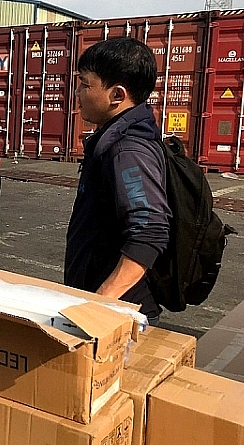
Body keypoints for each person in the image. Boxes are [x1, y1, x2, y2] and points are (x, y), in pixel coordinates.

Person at [64, 37, 171, 325]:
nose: (78, 93)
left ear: (117, 95)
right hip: (104, 307)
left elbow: (150, 231)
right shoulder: (112, 140)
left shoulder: (128, 150)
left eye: (85, 85)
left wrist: (101, 301)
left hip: (119, 316)